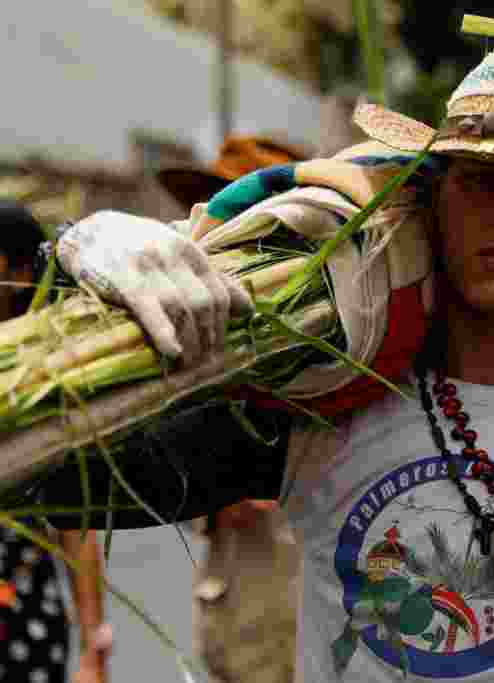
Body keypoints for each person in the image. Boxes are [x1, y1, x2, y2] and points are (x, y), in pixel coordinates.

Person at [19, 22, 494, 682]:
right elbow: (53, 474)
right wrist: (70, 258)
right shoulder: (328, 390)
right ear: (434, 197)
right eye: (485, 179)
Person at [156, 134, 310, 683]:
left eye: (231, 207)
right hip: (230, 566)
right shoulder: (207, 315)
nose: (212, 227)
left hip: (280, 562)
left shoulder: (307, 321)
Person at [0, 201, 110, 683]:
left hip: (21, 613)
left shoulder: (44, 373)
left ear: (21, 273)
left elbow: (76, 522)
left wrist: (94, 645)